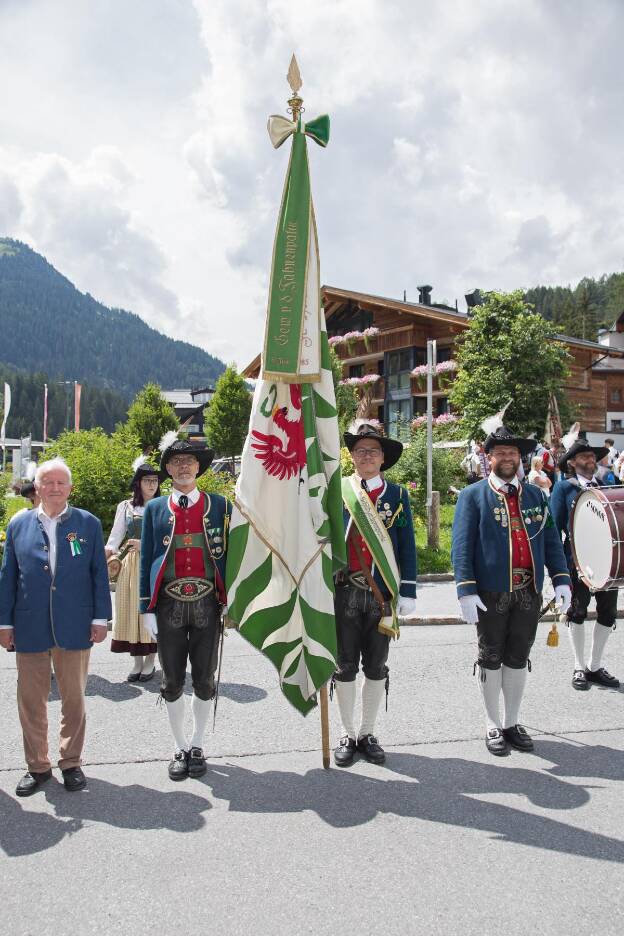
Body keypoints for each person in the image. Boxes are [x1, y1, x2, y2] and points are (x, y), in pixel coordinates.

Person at [452, 426, 571, 756]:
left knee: (518, 658)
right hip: (490, 593)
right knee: (490, 658)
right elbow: (461, 547)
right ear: (488, 458)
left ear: (520, 458)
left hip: (527, 591)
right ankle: (492, 723)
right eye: (500, 453)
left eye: (513, 453)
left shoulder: (536, 496)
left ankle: (511, 722)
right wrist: (465, 591)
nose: (507, 458)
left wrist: (561, 579)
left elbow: (550, 541)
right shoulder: (472, 496)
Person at [0, 457, 111, 796]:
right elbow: (7, 576)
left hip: (75, 624)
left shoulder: (87, 524)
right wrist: (4, 622)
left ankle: (71, 762)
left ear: (70, 489)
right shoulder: (19, 525)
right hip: (29, 624)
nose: (54, 488)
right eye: (48, 482)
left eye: (61, 482)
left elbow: (98, 573)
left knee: (74, 698)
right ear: (37, 487)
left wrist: (100, 618)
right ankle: (37, 766)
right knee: (31, 701)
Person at [140, 437, 231, 781]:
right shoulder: (155, 509)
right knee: (173, 680)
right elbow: (149, 556)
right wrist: (145, 607)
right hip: (168, 605)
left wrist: (231, 595)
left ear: (199, 467)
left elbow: (234, 552)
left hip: (208, 603)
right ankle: (179, 747)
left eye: (189, 461)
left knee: (205, 679)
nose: (182, 467)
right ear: (167, 469)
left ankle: (196, 744)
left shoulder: (220, 505)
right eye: (176, 461)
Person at [332, 422, 417, 767]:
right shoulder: (337, 491)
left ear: (383, 458)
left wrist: (408, 590)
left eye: (373, 451)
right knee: (345, 666)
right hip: (345, 591)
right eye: (360, 450)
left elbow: (407, 546)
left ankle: (367, 732)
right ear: (351, 456)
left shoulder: (397, 496)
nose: (366, 456)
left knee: (377, 666)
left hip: (382, 594)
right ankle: (347, 732)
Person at [550, 439, 620, 691]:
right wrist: (558, 568)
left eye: (592, 456)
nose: (590, 460)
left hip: (607, 563)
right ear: (572, 462)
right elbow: (553, 529)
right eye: (584, 457)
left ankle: (595, 666)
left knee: (608, 613)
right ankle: (579, 666)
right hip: (576, 562)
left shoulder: (604, 486)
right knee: (576, 613)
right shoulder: (563, 489)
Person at [105, 462, 160, 682]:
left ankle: (150, 661)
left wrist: (145, 545)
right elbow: (115, 538)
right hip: (129, 565)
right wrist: (107, 555)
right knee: (131, 611)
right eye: (147, 481)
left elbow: (169, 539)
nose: (152, 485)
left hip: (154, 563)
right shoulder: (126, 507)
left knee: (151, 609)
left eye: (155, 481)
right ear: (138, 484)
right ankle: (137, 661)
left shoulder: (163, 506)